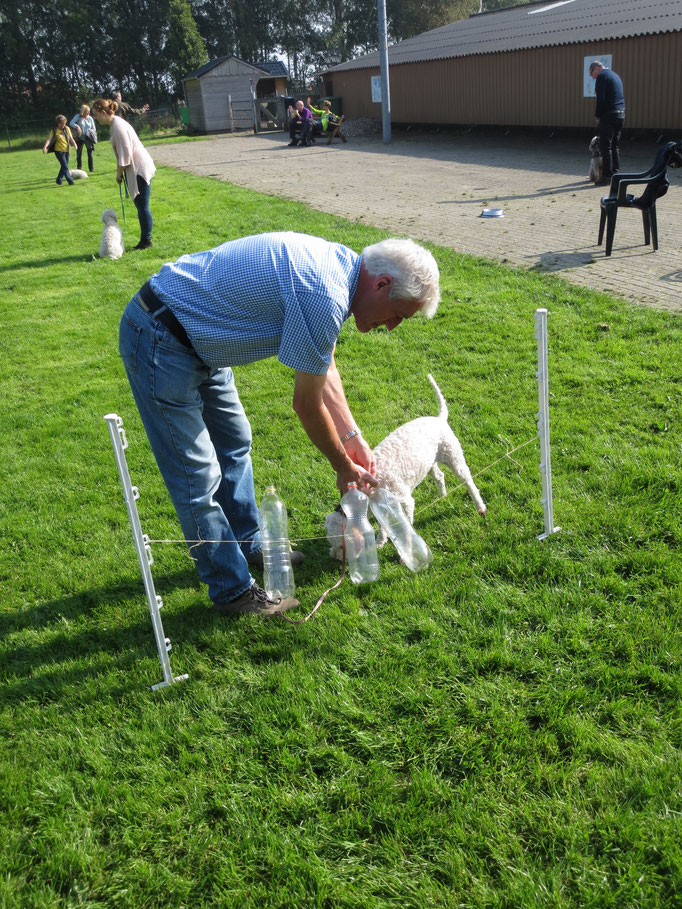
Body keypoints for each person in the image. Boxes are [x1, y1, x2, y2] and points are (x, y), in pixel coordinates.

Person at [118, 232, 440, 616]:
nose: (391, 327)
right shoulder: (325, 293)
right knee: (197, 477)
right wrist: (342, 465)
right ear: (382, 284)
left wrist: (352, 438)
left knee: (235, 442)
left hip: (200, 338)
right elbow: (306, 404)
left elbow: (324, 366)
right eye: (398, 315)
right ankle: (232, 592)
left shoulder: (341, 272)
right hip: (161, 338)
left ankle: (248, 542)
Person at [92, 98, 155, 250]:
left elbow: (125, 155)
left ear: (104, 112)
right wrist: (120, 172)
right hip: (133, 167)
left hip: (138, 167)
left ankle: (146, 241)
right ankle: (145, 240)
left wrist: (119, 174)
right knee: (141, 206)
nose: (96, 118)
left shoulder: (118, 126)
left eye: (96, 115)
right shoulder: (114, 124)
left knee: (142, 206)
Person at [589, 61, 626, 186]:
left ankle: (607, 176)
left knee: (606, 146)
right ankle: (616, 174)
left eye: (592, 74)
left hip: (609, 115)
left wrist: (598, 116)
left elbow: (601, 99)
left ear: (596, 68)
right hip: (620, 113)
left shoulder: (602, 77)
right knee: (615, 145)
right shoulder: (615, 75)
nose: (593, 77)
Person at [42, 114, 77, 185]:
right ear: (58, 123)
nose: (64, 125)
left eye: (65, 124)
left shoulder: (67, 129)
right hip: (58, 151)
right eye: (62, 124)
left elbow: (71, 138)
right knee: (65, 166)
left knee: (64, 166)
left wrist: (75, 144)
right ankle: (70, 181)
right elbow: (49, 139)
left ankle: (58, 179)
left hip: (66, 150)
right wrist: (45, 147)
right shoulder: (54, 130)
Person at [69, 104, 97, 172]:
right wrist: (77, 126)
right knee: (79, 153)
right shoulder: (78, 116)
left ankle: (91, 169)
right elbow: (71, 123)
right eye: (87, 111)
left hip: (88, 137)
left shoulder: (90, 118)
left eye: (89, 111)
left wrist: (91, 133)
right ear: (83, 111)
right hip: (80, 137)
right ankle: (79, 168)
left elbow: (94, 128)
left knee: (89, 153)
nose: (88, 113)